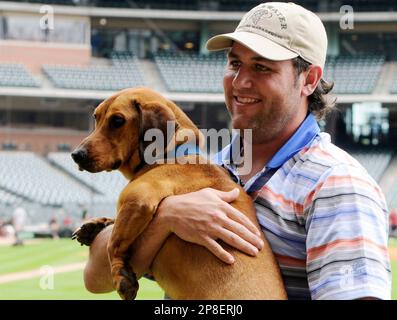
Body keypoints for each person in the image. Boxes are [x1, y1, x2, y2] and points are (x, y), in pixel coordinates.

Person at [83, 2, 391, 300]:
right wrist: (167, 217)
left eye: (261, 67)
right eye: (234, 63)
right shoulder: (205, 168)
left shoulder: (338, 185)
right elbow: (96, 279)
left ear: (308, 79)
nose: (241, 81)